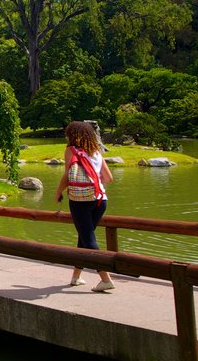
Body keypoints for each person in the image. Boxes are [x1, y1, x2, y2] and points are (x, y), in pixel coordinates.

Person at [55, 121, 116, 292]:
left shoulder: (71, 150)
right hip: (100, 200)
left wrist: (59, 191)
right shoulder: (97, 151)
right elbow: (109, 178)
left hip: (80, 201)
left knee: (88, 239)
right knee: (84, 237)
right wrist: (93, 183)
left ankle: (105, 278)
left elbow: (67, 174)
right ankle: (76, 276)